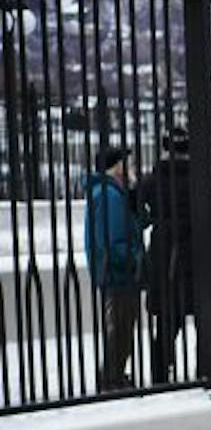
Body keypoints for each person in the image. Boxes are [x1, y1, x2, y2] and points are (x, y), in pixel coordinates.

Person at [83, 143, 145, 392]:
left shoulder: (109, 193)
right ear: (117, 168)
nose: (130, 169)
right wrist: (134, 258)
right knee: (120, 328)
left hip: (112, 269)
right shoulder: (109, 196)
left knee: (119, 326)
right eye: (126, 165)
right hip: (118, 272)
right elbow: (114, 240)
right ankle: (112, 378)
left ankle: (113, 374)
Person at [138, 126, 194, 384]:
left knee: (167, 322)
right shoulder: (198, 177)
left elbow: (134, 204)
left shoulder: (153, 179)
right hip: (195, 249)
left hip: (163, 251)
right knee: (203, 318)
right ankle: (207, 369)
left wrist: (152, 220)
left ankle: (161, 372)